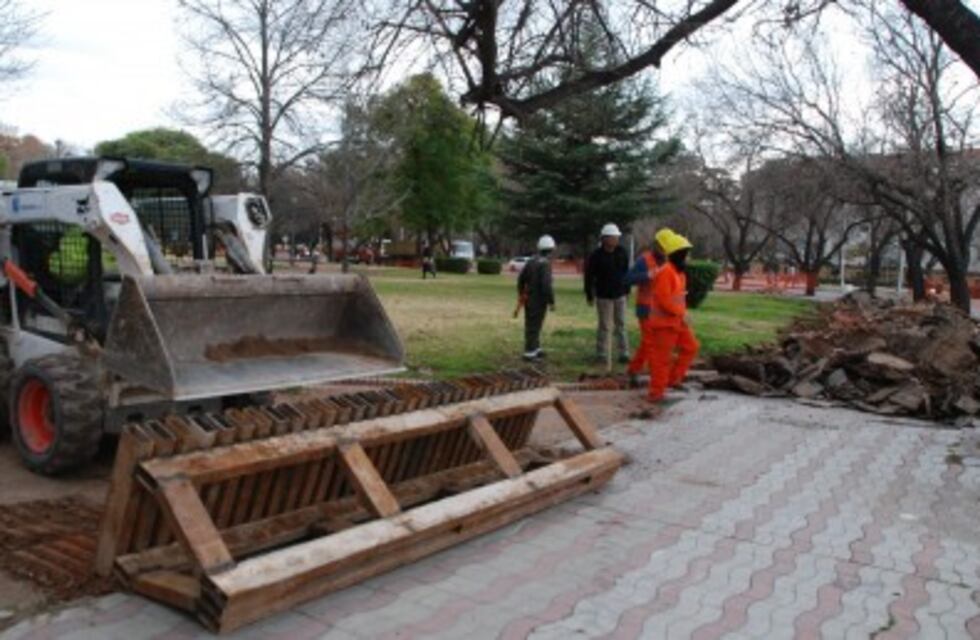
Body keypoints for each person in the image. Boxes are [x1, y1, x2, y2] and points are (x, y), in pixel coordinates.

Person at [646, 230, 699, 402]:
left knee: (691, 347)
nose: (689, 257)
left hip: (676, 322)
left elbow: (677, 299)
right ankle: (656, 393)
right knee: (661, 359)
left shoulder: (679, 273)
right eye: (687, 254)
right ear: (680, 255)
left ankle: (672, 380)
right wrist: (682, 314)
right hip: (664, 325)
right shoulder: (666, 272)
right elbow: (664, 299)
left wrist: (682, 314)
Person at [623, 229, 669, 386]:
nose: (664, 251)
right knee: (650, 343)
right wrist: (646, 275)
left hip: (663, 309)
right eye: (662, 247)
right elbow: (628, 279)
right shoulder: (644, 260)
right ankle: (653, 375)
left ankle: (635, 370)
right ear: (656, 246)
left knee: (652, 343)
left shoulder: (669, 262)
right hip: (645, 307)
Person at [584, 223, 630, 364]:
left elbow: (626, 273)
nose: (615, 240)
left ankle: (624, 353)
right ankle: (602, 354)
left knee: (621, 324)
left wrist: (627, 290)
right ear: (605, 239)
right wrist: (589, 295)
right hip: (603, 296)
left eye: (617, 237)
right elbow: (589, 276)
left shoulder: (622, 252)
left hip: (619, 295)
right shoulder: (596, 256)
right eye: (613, 237)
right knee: (604, 326)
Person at [518, 234, 556, 360]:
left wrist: (521, 294)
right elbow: (546, 285)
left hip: (529, 298)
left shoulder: (531, 261)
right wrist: (551, 301)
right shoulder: (545, 264)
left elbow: (521, 279)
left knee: (533, 324)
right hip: (539, 301)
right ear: (550, 250)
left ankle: (536, 348)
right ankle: (529, 353)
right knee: (534, 326)